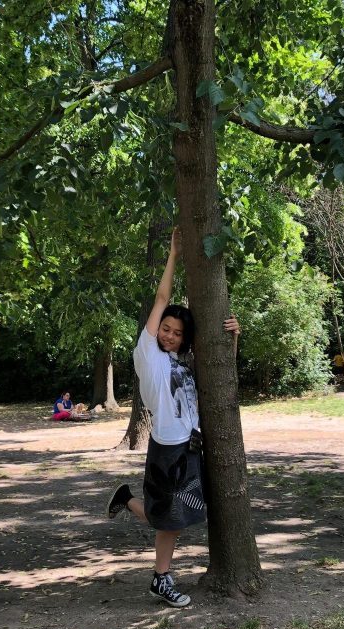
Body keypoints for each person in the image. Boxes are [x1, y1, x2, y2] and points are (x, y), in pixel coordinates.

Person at [105, 226, 240, 608]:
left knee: (173, 517)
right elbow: (163, 296)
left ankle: (128, 501)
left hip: (191, 446)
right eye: (165, 328)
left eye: (177, 333)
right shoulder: (147, 354)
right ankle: (160, 578)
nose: (168, 335)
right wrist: (174, 255)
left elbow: (221, 378)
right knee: (170, 520)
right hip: (167, 448)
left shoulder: (182, 363)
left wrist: (232, 336)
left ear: (184, 339)